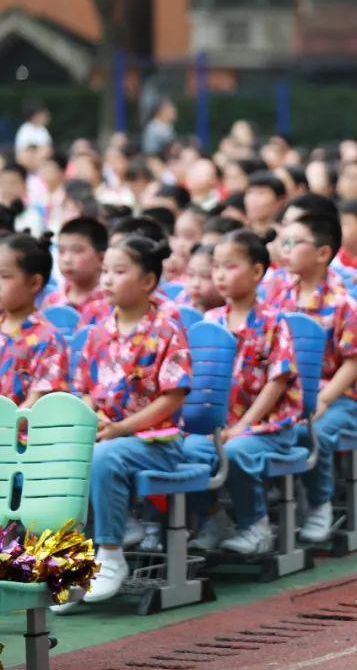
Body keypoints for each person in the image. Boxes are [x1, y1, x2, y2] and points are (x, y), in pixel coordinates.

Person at [74, 236, 192, 604]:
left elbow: (174, 396)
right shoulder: (97, 332)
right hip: (108, 435)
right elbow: (86, 390)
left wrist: (121, 428)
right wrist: (94, 418)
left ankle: (110, 555)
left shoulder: (167, 330)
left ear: (147, 281)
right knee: (69, 456)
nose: (107, 279)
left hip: (159, 442)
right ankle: (71, 564)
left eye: (119, 271)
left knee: (106, 456)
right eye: (105, 271)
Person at [184, 230, 304, 555]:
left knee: (237, 451)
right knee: (183, 451)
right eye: (217, 267)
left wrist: (243, 426)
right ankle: (215, 519)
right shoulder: (210, 321)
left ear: (256, 272)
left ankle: (256, 526)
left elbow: (276, 382)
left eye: (230, 266)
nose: (220, 274)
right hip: (220, 427)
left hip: (270, 426)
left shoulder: (274, 322)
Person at [274, 212, 357, 542]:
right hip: (289, 396)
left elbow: (354, 363)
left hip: (339, 398)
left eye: (294, 242)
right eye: (284, 242)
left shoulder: (342, 301)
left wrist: (324, 400)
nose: (285, 249)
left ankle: (320, 505)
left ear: (322, 253)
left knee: (315, 430)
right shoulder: (280, 298)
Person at [0, 233, 68, 408]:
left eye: (4, 276)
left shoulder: (49, 339)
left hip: (18, 432)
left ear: (34, 283)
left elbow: (35, 405)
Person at [40, 216, 112, 327]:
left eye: (77, 251)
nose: (67, 259)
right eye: (61, 251)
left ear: (101, 258)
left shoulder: (110, 301)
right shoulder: (52, 301)